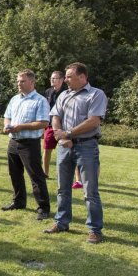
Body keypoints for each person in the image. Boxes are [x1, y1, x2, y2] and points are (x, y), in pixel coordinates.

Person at [44, 62, 107, 244]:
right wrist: (61, 137)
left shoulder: (96, 94)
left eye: (70, 77)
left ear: (82, 77)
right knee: (62, 188)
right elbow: (55, 116)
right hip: (65, 146)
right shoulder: (64, 94)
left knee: (90, 191)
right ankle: (61, 222)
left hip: (87, 146)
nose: (66, 80)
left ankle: (94, 230)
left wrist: (69, 133)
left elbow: (93, 121)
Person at [1, 70, 51, 220]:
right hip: (13, 142)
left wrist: (21, 127)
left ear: (31, 82)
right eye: (17, 81)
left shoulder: (40, 100)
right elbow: (7, 116)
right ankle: (19, 201)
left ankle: (43, 208)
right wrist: (7, 125)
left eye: (22, 81)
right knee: (15, 174)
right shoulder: (15, 99)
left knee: (36, 177)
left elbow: (43, 123)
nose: (19, 84)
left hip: (29, 144)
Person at [43, 71, 67, 180]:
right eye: (51, 78)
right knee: (46, 149)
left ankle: (73, 177)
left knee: (66, 150)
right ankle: (45, 173)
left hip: (64, 126)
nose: (52, 80)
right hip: (49, 125)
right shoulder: (48, 91)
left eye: (55, 78)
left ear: (61, 80)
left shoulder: (67, 92)